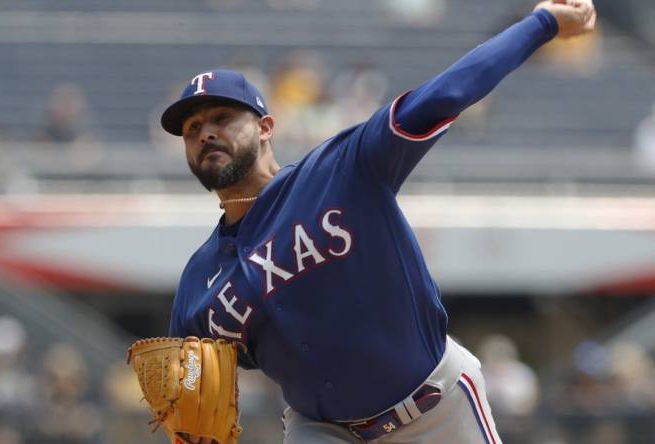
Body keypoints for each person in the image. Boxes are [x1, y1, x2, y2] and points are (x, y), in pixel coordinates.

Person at [159, 1, 596, 443]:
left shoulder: (342, 169)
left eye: (222, 118)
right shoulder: (198, 286)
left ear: (267, 127)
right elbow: (194, 403)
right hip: (323, 431)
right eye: (192, 129)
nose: (206, 133)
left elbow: (448, 92)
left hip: (436, 411)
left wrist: (542, 23)